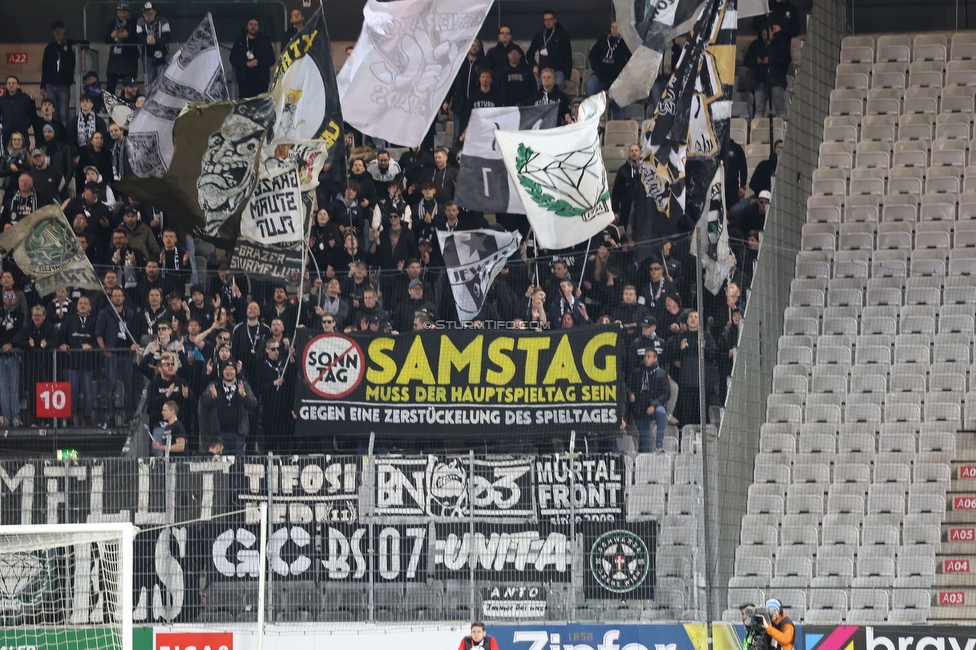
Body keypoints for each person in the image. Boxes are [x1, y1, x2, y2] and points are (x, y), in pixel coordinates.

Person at [96, 287, 139, 427]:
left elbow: (135, 333)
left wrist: (134, 346)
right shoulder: (104, 313)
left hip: (126, 354)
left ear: (124, 297)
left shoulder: (130, 313)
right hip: (112, 354)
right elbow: (99, 334)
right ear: (111, 298)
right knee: (111, 386)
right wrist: (104, 350)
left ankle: (127, 415)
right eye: (115, 296)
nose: (118, 298)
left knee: (129, 386)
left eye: (120, 295)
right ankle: (110, 415)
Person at [200, 360, 257, 456]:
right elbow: (204, 403)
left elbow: (253, 403)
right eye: (226, 369)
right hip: (218, 434)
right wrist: (213, 397)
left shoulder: (243, 385)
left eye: (232, 369)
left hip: (238, 433)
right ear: (222, 371)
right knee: (221, 465)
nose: (229, 372)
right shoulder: (214, 385)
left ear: (236, 371)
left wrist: (244, 395)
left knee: (237, 466)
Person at [59, 295, 97, 426]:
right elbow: (62, 336)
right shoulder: (69, 319)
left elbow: (97, 338)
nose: (83, 305)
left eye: (86, 303)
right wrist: (63, 344)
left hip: (87, 363)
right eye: (80, 303)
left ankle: (88, 417)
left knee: (88, 392)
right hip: (72, 362)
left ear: (90, 307)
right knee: (72, 391)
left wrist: (91, 345)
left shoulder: (94, 320)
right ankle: (70, 417)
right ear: (76, 306)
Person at [744, 23, 791, 119]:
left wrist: (771, 60)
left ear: (773, 32)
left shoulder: (781, 44)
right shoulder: (756, 45)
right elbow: (747, 61)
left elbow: (786, 60)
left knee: (780, 108)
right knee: (759, 109)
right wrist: (756, 61)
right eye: (764, 34)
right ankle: (758, 130)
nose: (766, 36)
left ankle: (783, 129)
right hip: (761, 80)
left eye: (768, 34)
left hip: (777, 80)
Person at [41, 21, 83, 126]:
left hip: (64, 84)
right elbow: (44, 67)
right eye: (55, 31)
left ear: (64, 31)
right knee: (53, 113)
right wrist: (42, 85)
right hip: (50, 84)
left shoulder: (70, 43)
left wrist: (76, 46)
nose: (58, 32)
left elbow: (86, 43)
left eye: (60, 30)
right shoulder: (49, 48)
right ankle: (53, 134)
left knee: (63, 113)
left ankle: (63, 137)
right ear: (52, 32)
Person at [586, 22, 631, 120]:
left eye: (617, 28)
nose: (614, 30)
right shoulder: (603, 40)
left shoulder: (626, 43)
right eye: (612, 27)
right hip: (602, 75)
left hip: (618, 78)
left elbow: (631, 61)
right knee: (590, 85)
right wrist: (598, 70)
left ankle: (617, 126)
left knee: (619, 103)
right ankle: (593, 115)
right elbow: (593, 55)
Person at [628, 348, 670, 452]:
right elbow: (628, 387)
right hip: (640, 409)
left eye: (649, 357)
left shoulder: (661, 373)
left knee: (661, 412)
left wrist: (654, 405)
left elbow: (666, 394)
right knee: (644, 444)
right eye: (645, 356)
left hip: (654, 406)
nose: (646, 359)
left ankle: (659, 445)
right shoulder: (637, 372)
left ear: (655, 358)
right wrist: (630, 394)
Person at [230, 18, 276, 99]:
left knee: (261, 103)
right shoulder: (239, 41)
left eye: (255, 25)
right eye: (251, 24)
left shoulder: (265, 41)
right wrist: (246, 63)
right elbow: (232, 59)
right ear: (247, 27)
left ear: (258, 28)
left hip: (261, 80)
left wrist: (258, 62)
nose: (253, 27)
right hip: (244, 80)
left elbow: (271, 59)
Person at [526, 10, 573, 89]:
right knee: (542, 92)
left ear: (555, 20)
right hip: (543, 72)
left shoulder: (563, 35)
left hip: (558, 71)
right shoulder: (539, 35)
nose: (548, 22)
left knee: (556, 90)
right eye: (545, 20)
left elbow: (568, 56)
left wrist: (567, 77)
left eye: (550, 19)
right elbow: (529, 53)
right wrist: (534, 66)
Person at [0, 290, 25, 428]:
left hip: (14, 355)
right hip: (1, 355)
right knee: (3, 389)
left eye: (12, 296)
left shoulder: (20, 314)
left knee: (14, 388)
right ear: (3, 299)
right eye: (6, 296)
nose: (9, 299)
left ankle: (15, 416)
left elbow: (21, 332)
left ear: (16, 299)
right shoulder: (0, 313)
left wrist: (12, 344)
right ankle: (6, 417)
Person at [105, 1, 139, 94]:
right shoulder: (113, 23)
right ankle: (110, 107)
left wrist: (128, 36)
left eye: (124, 12)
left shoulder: (135, 22)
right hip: (114, 60)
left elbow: (140, 38)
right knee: (110, 88)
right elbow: (106, 39)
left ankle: (128, 106)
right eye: (119, 12)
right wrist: (112, 35)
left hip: (129, 60)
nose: (121, 15)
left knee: (129, 88)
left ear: (128, 12)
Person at [137, 2, 172, 87]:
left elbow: (167, 38)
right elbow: (139, 38)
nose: (148, 17)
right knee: (150, 81)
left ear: (155, 12)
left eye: (150, 14)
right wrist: (146, 40)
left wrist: (155, 41)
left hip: (162, 54)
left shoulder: (163, 21)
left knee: (163, 80)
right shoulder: (140, 22)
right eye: (146, 14)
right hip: (147, 55)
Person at [0, 77, 38, 147]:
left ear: (18, 85)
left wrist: (26, 124)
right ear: (6, 85)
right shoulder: (2, 100)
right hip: (7, 134)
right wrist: (3, 125)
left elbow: (31, 113)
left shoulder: (25, 98)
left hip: (22, 132)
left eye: (13, 83)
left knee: (24, 154)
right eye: (9, 83)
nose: (11, 85)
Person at [611, 144, 641, 228]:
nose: (634, 153)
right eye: (631, 150)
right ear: (628, 153)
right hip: (626, 209)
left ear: (640, 152)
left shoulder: (646, 170)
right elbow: (616, 193)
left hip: (642, 208)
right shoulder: (622, 170)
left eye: (636, 150)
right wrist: (615, 211)